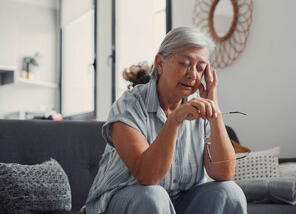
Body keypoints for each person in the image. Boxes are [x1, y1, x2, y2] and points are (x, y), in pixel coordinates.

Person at [81, 26, 247, 214]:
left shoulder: (199, 106)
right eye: (185, 63)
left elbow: (224, 173)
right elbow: (147, 176)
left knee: (230, 191)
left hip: (178, 201)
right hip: (124, 201)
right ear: (160, 63)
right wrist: (175, 120)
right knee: (153, 196)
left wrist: (214, 110)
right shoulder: (129, 105)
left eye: (200, 68)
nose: (192, 74)